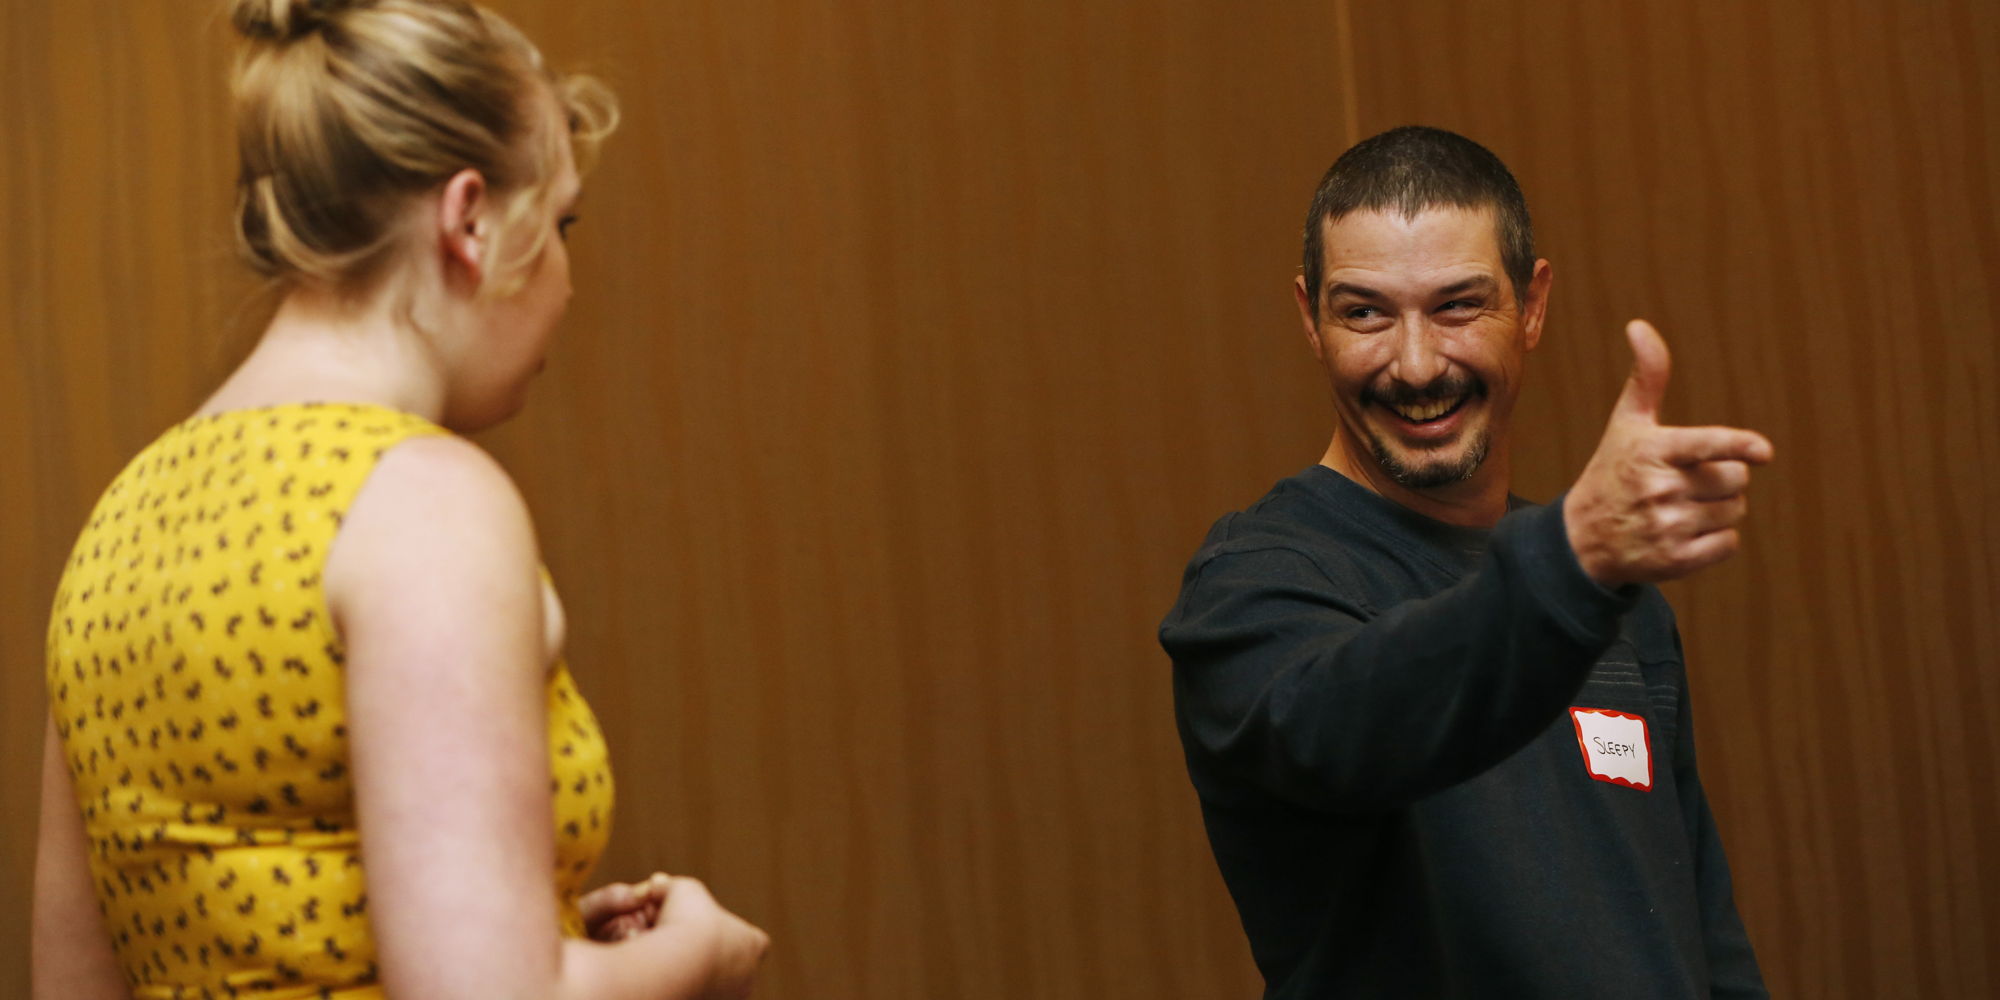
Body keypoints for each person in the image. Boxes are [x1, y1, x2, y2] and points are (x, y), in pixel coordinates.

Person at [32, 1, 768, 997]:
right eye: (560, 224)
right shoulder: (424, 507)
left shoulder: (121, 525)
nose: (565, 281)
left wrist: (545, 938)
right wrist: (699, 955)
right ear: (470, 220)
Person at [1158, 126, 1771, 998]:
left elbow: (1699, 935)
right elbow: (1351, 727)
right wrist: (1570, 562)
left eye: (1457, 307)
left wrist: (1578, 567)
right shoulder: (1253, 586)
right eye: (1365, 313)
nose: (1415, 366)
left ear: (1532, 306)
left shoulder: (1612, 595)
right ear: (1310, 320)